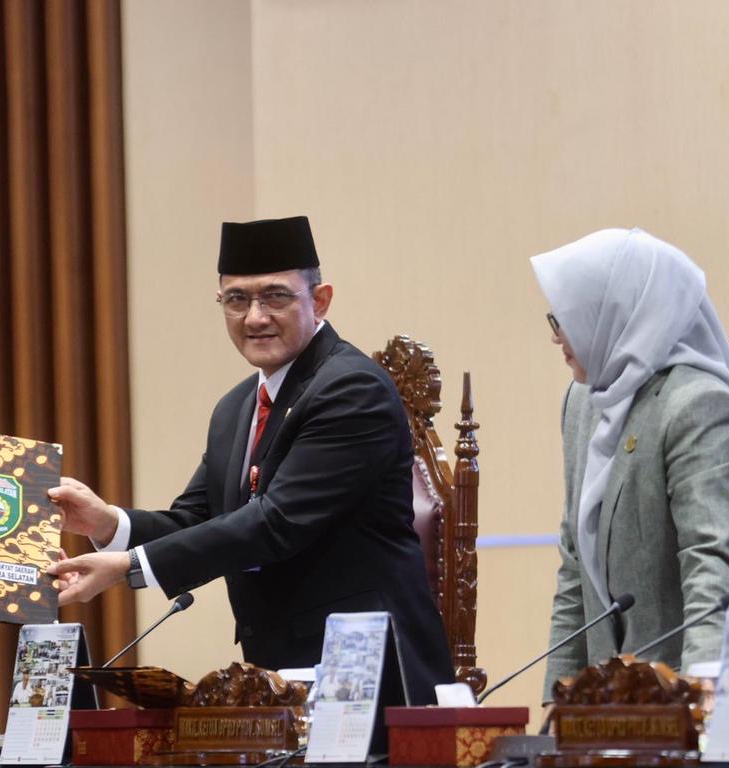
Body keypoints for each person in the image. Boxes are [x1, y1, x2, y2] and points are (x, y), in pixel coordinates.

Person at [49, 216, 453, 708]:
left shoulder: (351, 388)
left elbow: (275, 523)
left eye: (275, 297)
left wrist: (127, 567)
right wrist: (109, 524)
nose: (255, 317)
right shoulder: (236, 407)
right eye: (237, 299)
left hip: (372, 680)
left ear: (320, 300)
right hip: (276, 679)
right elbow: (197, 519)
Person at [534, 228, 729, 699]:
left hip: (691, 693)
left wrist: (701, 707)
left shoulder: (699, 406)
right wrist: (555, 704)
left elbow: (715, 577)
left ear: (615, 311)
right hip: (608, 710)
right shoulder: (582, 403)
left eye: (565, 317)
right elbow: (573, 570)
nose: (556, 335)